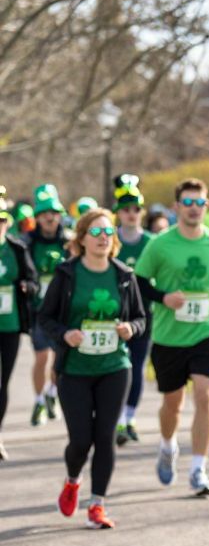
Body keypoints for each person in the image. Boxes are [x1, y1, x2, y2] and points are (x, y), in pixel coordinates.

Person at [39, 209, 146, 529]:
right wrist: (64, 335)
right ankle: (73, 480)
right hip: (75, 369)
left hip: (115, 366)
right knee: (81, 440)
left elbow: (141, 318)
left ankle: (97, 505)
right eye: (96, 232)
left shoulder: (124, 274)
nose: (103, 238)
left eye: (108, 232)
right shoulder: (67, 274)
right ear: (82, 238)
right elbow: (45, 318)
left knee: (105, 437)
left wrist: (131, 328)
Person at [133, 178, 209, 495]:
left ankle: (198, 469)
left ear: (206, 205)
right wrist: (163, 297)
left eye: (199, 203)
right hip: (168, 335)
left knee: (204, 394)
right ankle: (167, 446)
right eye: (187, 203)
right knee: (172, 404)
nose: (193, 209)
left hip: (206, 331)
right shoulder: (160, 243)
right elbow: (139, 281)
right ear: (176, 208)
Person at [110, 174, 152, 446]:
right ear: (118, 213)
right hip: (113, 316)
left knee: (136, 367)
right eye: (126, 209)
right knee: (116, 368)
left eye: (136, 209)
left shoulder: (151, 241)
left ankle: (129, 417)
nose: (131, 214)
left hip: (142, 314)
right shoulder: (109, 239)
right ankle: (114, 419)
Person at [26, 184, 70, 426]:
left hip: (64, 312)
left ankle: (53, 393)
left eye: (53, 213)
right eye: (44, 214)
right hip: (39, 311)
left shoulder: (69, 241)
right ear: (37, 218)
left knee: (60, 360)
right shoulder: (28, 243)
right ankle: (38, 401)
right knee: (41, 356)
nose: (49, 218)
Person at [0, 205, 38, 461]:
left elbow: (33, 281)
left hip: (9, 325)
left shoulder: (16, 249)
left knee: (2, 382)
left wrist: (27, 287)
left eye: (2, 220)